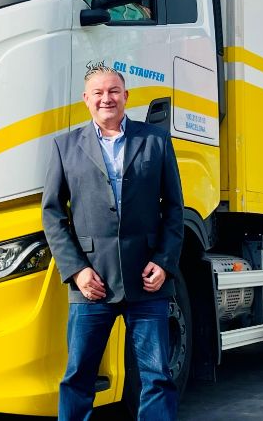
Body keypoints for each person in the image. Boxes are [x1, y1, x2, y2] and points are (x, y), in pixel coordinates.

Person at [42, 63, 184, 420]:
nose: (107, 98)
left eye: (114, 91)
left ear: (126, 97)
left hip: (147, 281)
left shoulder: (156, 141)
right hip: (92, 283)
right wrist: (77, 271)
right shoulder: (65, 147)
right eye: (99, 92)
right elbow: (53, 214)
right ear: (86, 99)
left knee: (157, 377)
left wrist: (164, 262)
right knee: (78, 377)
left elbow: (174, 209)